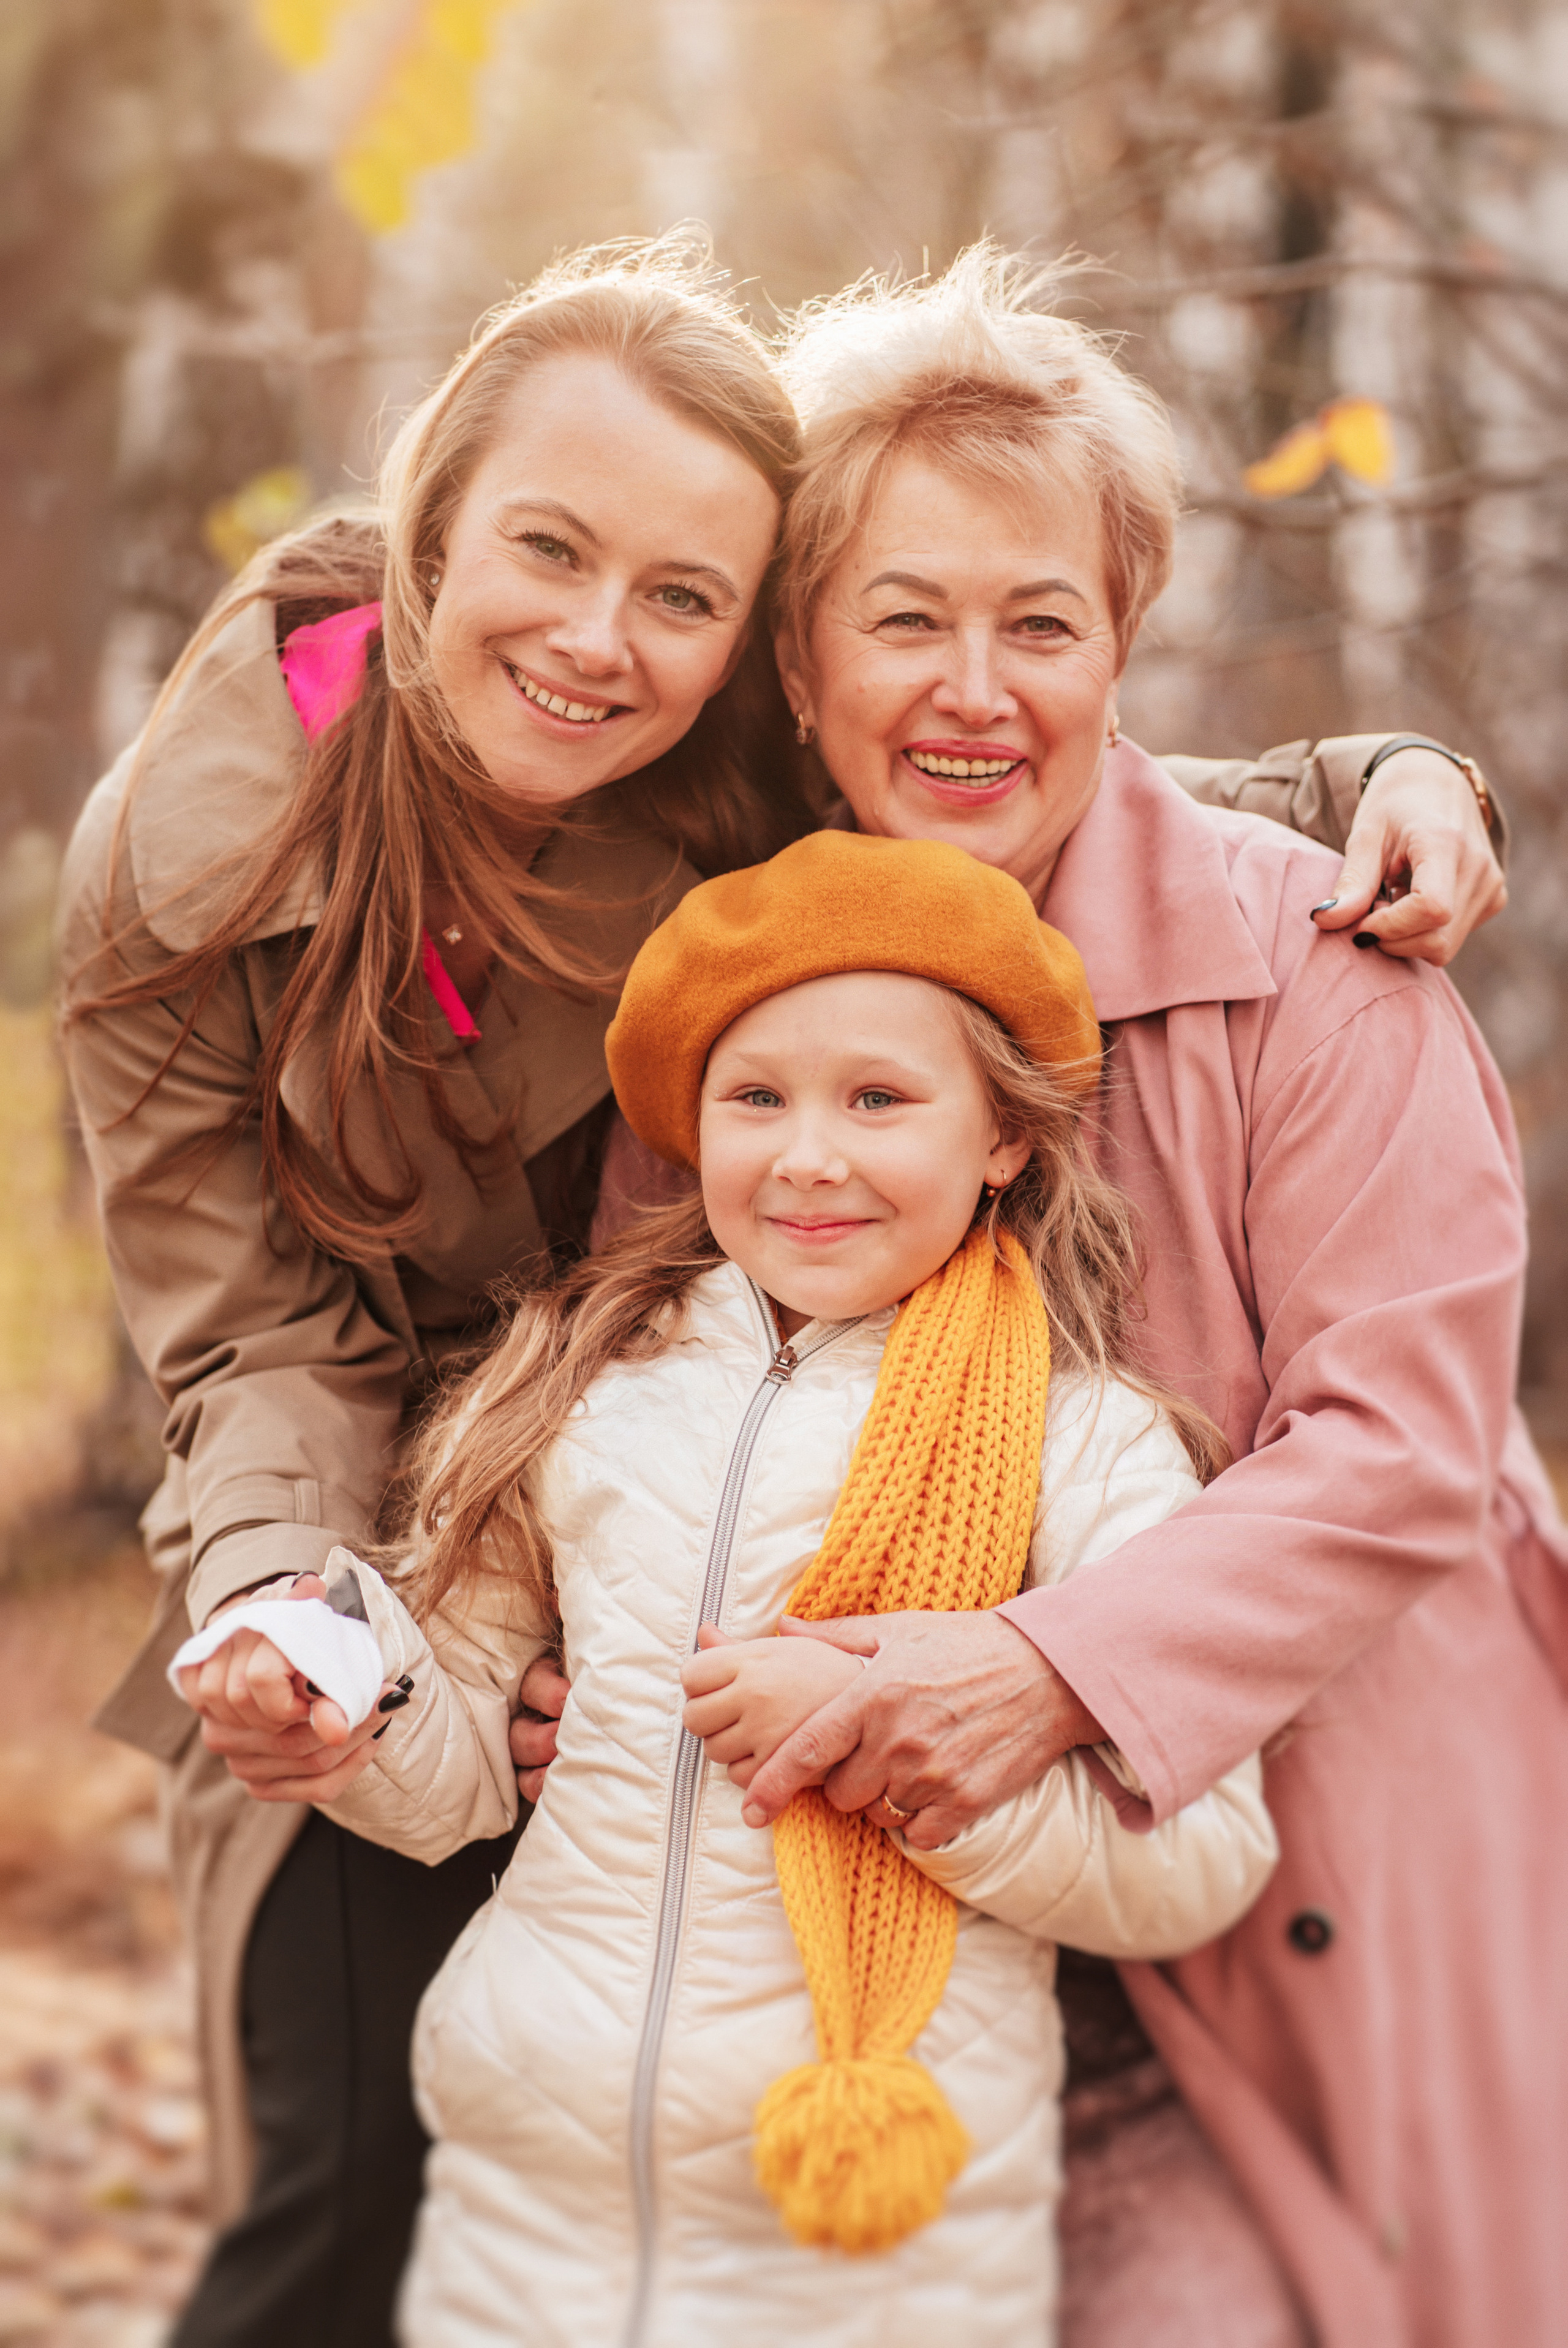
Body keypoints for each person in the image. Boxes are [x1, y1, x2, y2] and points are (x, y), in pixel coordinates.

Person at [59, 231, 1506, 2345]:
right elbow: (253, 1339)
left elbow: (1018, 743)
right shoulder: (182, 892)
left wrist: (1379, 775)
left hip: (917, 1560)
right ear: (427, 522)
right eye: (542, 555)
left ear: (749, 649)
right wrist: (333, 1614)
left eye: (678, 600)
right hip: (406, 1510)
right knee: (355, 2147)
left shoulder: (746, 756)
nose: (597, 639)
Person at [657, 249, 1566, 2347]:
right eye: (906, 617)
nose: (975, 687)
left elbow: (1403, 1438)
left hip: (1327, 1855)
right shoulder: (743, 994)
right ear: (802, 664)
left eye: (1039, 622)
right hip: (910, 1921)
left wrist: (1048, 1666)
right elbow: (662, 1379)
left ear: (1122, 645)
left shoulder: (1321, 963)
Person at [175, 830, 1281, 2348]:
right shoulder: (584, 1382)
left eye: (879, 1101)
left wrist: (901, 1744)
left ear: (1004, 1138)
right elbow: (457, 1783)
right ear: (691, 1130)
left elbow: (1198, 1862)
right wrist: (341, 1701)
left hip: (868, 2248)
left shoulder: (1082, 1445)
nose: (808, 1155)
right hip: (526, 2206)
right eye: (755, 1097)